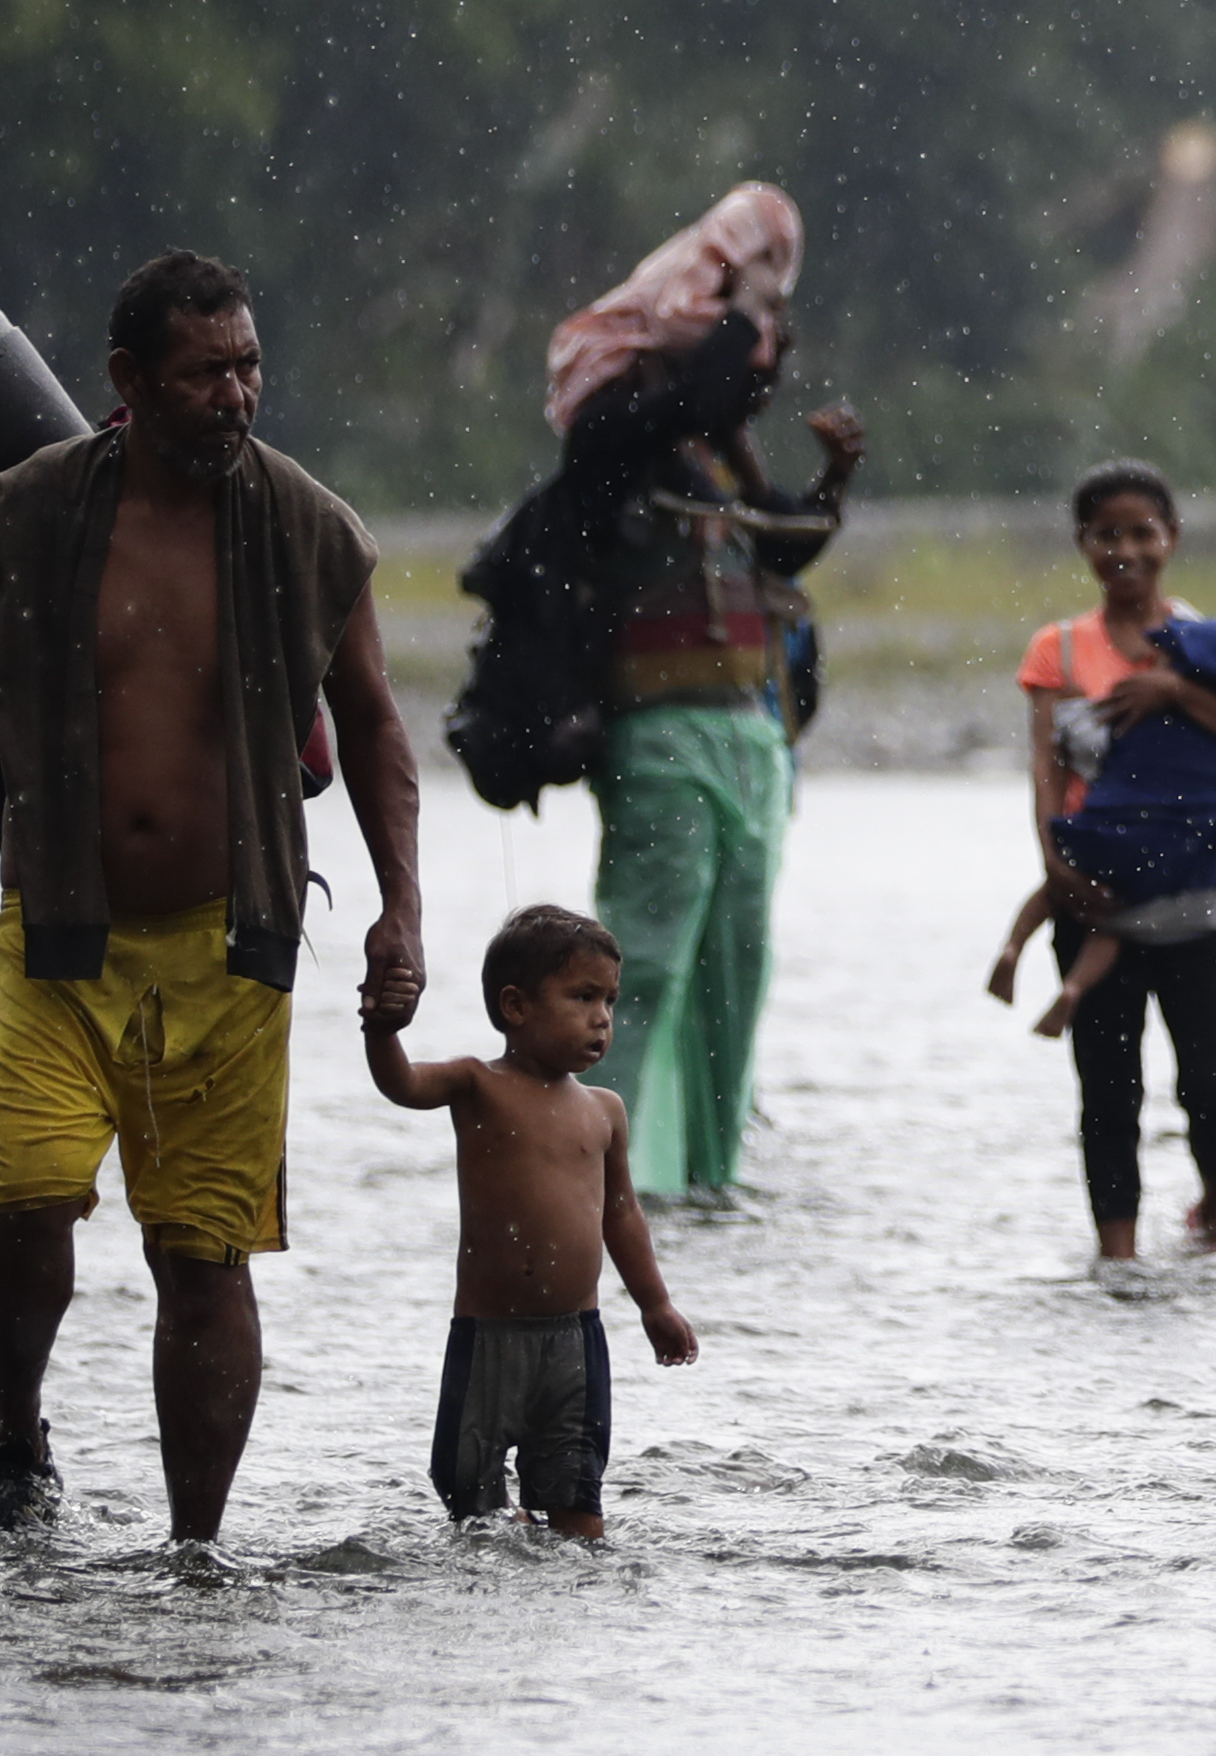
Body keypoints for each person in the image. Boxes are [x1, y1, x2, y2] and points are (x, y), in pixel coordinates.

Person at [0, 250, 422, 1541]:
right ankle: (17, 1438)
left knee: (201, 1257)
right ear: (128, 381)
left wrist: (399, 910)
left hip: (234, 945)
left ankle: (194, 1547)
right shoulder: (30, 513)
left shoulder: (308, 529)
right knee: (28, 1194)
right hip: (61, 938)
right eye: (207, 373)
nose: (238, 395)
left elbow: (373, 726)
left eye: (250, 366)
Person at [543, 183, 865, 1203]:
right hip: (660, 740)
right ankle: (594, 1179)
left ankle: (710, 1181)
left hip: (748, 743)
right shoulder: (618, 438)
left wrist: (832, 480)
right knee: (638, 972)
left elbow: (789, 543)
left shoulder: (723, 458)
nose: (764, 364)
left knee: (739, 968)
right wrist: (735, 330)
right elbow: (691, 395)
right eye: (750, 344)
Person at [1021, 461, 1216, 1262]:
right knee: (1108, 1088)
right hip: (1093, 895)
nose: (1126, 549)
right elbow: (1045, 770)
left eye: (1143, 532)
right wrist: (1054, 863)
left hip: (1196, 896)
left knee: (1213, 1083)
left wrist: (1176, 694)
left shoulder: (1207, 641)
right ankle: (1118, 1255)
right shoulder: (1058, 649)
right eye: (1107, 535)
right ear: (1083, 545)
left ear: (1172, 538)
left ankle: (1213, 1206)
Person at [366, 905, 696, 1539]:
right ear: (515, 1007)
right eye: (582, 996)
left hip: (575, 1339)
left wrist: (655, 1304)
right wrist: (382, 1030)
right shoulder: (477, 1083)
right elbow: (402, 1084)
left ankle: (576, 1600)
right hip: (489, 1336)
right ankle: (505, 1569)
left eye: (609, 999)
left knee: (577, 1495)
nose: (603, 1017)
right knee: (468, 1491)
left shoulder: (605, 1111)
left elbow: (622, 1216)